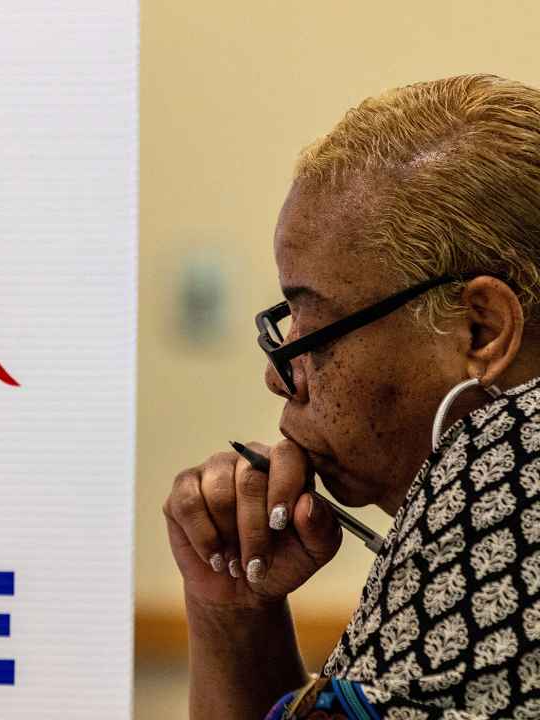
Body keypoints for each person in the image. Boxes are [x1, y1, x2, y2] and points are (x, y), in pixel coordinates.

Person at [162, 73, 540, 719]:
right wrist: (235, 609)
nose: (280, 376)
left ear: (482, 328)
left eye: (315, 328)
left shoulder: (508, 461)